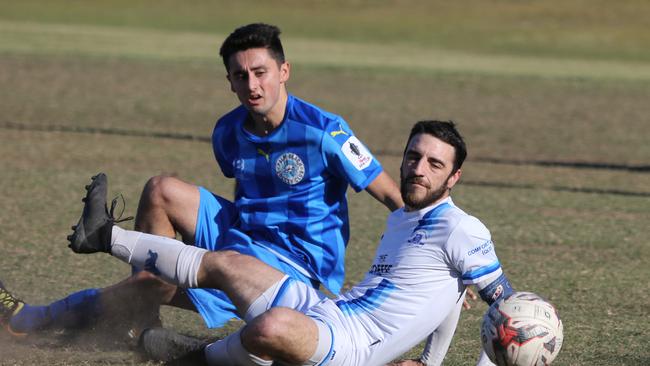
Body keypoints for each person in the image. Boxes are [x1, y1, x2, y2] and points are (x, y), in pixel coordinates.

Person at [0, 22, 404, 338]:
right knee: (162, 190)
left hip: (294, 266)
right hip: (244, 235)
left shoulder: (325, 131)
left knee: (155, 282)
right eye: (240, 75)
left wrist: (428, 266)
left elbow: (392, 196)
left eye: (261, 72)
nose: (252, 85)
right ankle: (138, 315)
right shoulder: (227, 131)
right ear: (229, 80)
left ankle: (31, 319)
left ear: (284, 71)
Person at [65, 120, 513, 365]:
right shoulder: (402, 219)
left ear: (453, 177)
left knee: (271, 329)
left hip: (352, 349)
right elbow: (453, 296)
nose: (419, 168)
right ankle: (103, 235)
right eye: (414, 156)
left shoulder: (461, 229)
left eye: (435, 164)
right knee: (227, 262)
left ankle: (196, 357)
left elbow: (505, 312)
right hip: (328, 309)